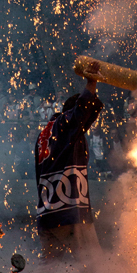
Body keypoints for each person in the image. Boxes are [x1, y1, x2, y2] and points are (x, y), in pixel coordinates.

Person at [35, 64, 103, 260]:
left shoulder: (45, 134)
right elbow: (82, 109)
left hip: (47, 213)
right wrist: (91, 82)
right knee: (92, 264)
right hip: (70, 210)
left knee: (48, 271)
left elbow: (82, 115)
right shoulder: (65, 124)